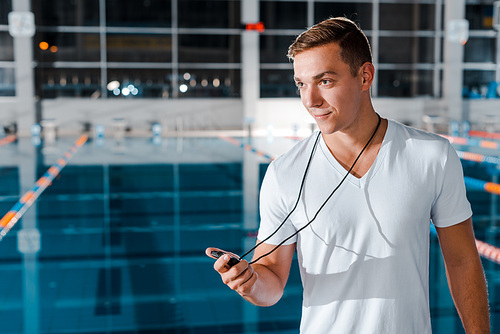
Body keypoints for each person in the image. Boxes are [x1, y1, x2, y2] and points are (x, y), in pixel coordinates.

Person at [206, 17, 490, 333]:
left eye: (325, 81)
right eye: (302, 84)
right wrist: (250, 282)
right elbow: (271, 278)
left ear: (365, 76)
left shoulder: (431, 155)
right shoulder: (284, 173)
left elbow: (463, 261)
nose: (310, 100)